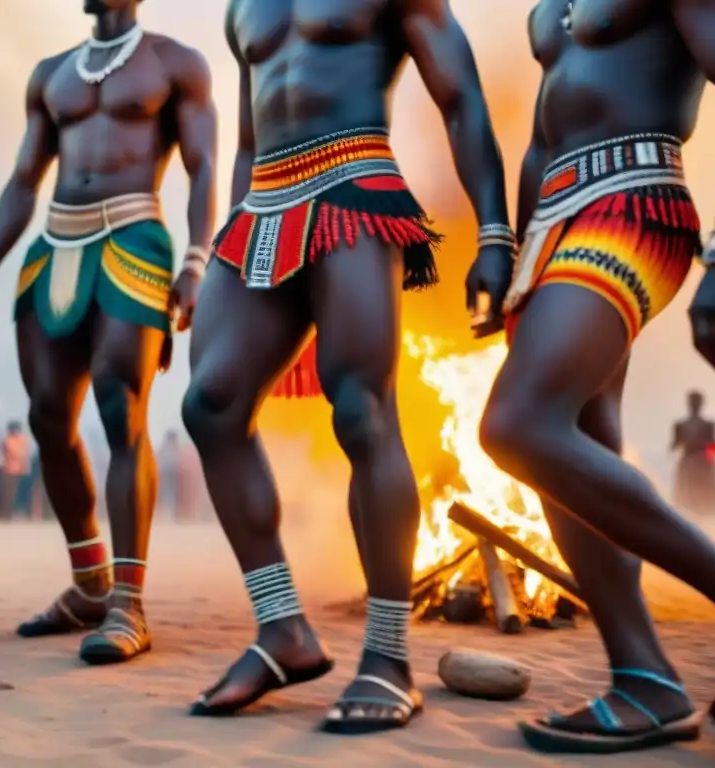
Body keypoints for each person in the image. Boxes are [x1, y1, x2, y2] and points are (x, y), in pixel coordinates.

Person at [181, 0, 512, 730]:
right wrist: (230, 242)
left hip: (354, 185)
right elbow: (246, 137)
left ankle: (388, 659)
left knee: (362, 410)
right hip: (263, 205)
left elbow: (460, 97)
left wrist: (494, 230)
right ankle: (282, 632)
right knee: (210, 405)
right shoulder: (246, 6)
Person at [478, 0, 715, 753]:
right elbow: (538, 144)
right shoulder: (550, 8)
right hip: (554, 222)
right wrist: (515, 253)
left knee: (517, 426)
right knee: (576, 445)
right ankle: (644, 679)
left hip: (636, 199)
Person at [0, 0, 217, 665]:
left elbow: (206, 166)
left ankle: (127, 602)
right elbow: (24, 179)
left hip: (135, 238)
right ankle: (88, 583)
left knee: (119, 404)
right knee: (48, 417)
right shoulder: (51, 74)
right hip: (54, 244)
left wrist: (197, 260)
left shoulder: (175, 63)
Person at [671, 390, 715, 514]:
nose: (695, 405)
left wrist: (710, 465)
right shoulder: (680, 425)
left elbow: (713, 446)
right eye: (693, 402)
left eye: (696, 402)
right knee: (686, 498)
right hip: (689, 464)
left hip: (702, 464)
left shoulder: (708, 425)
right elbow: (673, 446)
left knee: (705, 500)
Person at [0, 420, 31, 518]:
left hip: (16, 471)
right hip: (14, 471)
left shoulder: (10, 440)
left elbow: (15, 453)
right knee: (11, 494)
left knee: (15, 494)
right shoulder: (19, 440)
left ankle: (17, 512)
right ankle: (9, 513)